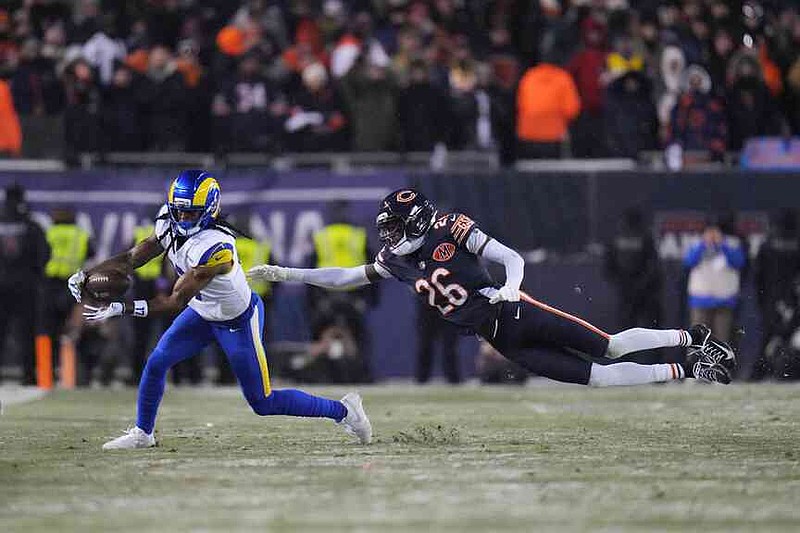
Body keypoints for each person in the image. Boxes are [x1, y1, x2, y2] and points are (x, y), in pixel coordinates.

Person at [250, 189, 737, 388]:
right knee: (597, 379)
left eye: (395, 226)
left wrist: (510, 288)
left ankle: (691, 337)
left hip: (514, 312)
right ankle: (688, 368)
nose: (389, 236)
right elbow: (345, 277)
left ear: (416, 220)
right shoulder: (396, 260)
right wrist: (289, 274)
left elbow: (511, 258)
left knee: (608, 347)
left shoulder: (449, 227)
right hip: (500, 338)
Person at [67, 170, 371, 450]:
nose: (183, 218)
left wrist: (121, 307)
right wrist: (88, 274)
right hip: (202, 312)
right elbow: (131, 258)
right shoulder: (168, 222)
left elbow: (174, 302)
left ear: (209, 210)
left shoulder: (216, 247)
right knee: (157, 362)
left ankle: (345, 411)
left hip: (236, 320)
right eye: (179, 211)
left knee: (263, 402)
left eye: (191, 212)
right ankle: (143, 433)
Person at [0, 183, 49, 384]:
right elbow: (44, 254)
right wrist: (36, 276)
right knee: (27, 332)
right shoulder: (31, 225)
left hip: (1, 283)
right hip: (25, 285)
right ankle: (28, 374)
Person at [43, 206, 93, 385]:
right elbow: (91, 258)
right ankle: (74, 374)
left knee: (49, 330)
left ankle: (48, 373)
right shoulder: (81, 235)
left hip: (50, 286)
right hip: (72, 286)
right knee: (73, 330)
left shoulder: (49, 234)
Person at [683, 219, 746, 344]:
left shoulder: (732, 243)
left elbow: (738, 262)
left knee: (721, 343)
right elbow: (689, 262)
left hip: (724, 300)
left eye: (715, 231)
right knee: (697, 341)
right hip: (701, 300)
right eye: (709, 231)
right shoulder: (696, 243)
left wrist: (722, 244)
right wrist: (703, 244)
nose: (712, 234)